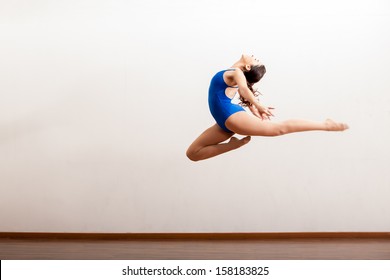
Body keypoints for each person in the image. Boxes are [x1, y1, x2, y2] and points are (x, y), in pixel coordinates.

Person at [186, 54, 349, 161]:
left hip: (231, 117)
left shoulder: (236, 72)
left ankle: (326, 125)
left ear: (247, 67)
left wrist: (257, 104)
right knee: (193, 153)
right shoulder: (232, 74)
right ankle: (234, 144)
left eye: (256, 61)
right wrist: (253, 106)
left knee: (278, 129)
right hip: (223, 123)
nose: (256, 57)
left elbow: (243, 89)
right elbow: (243, 91)